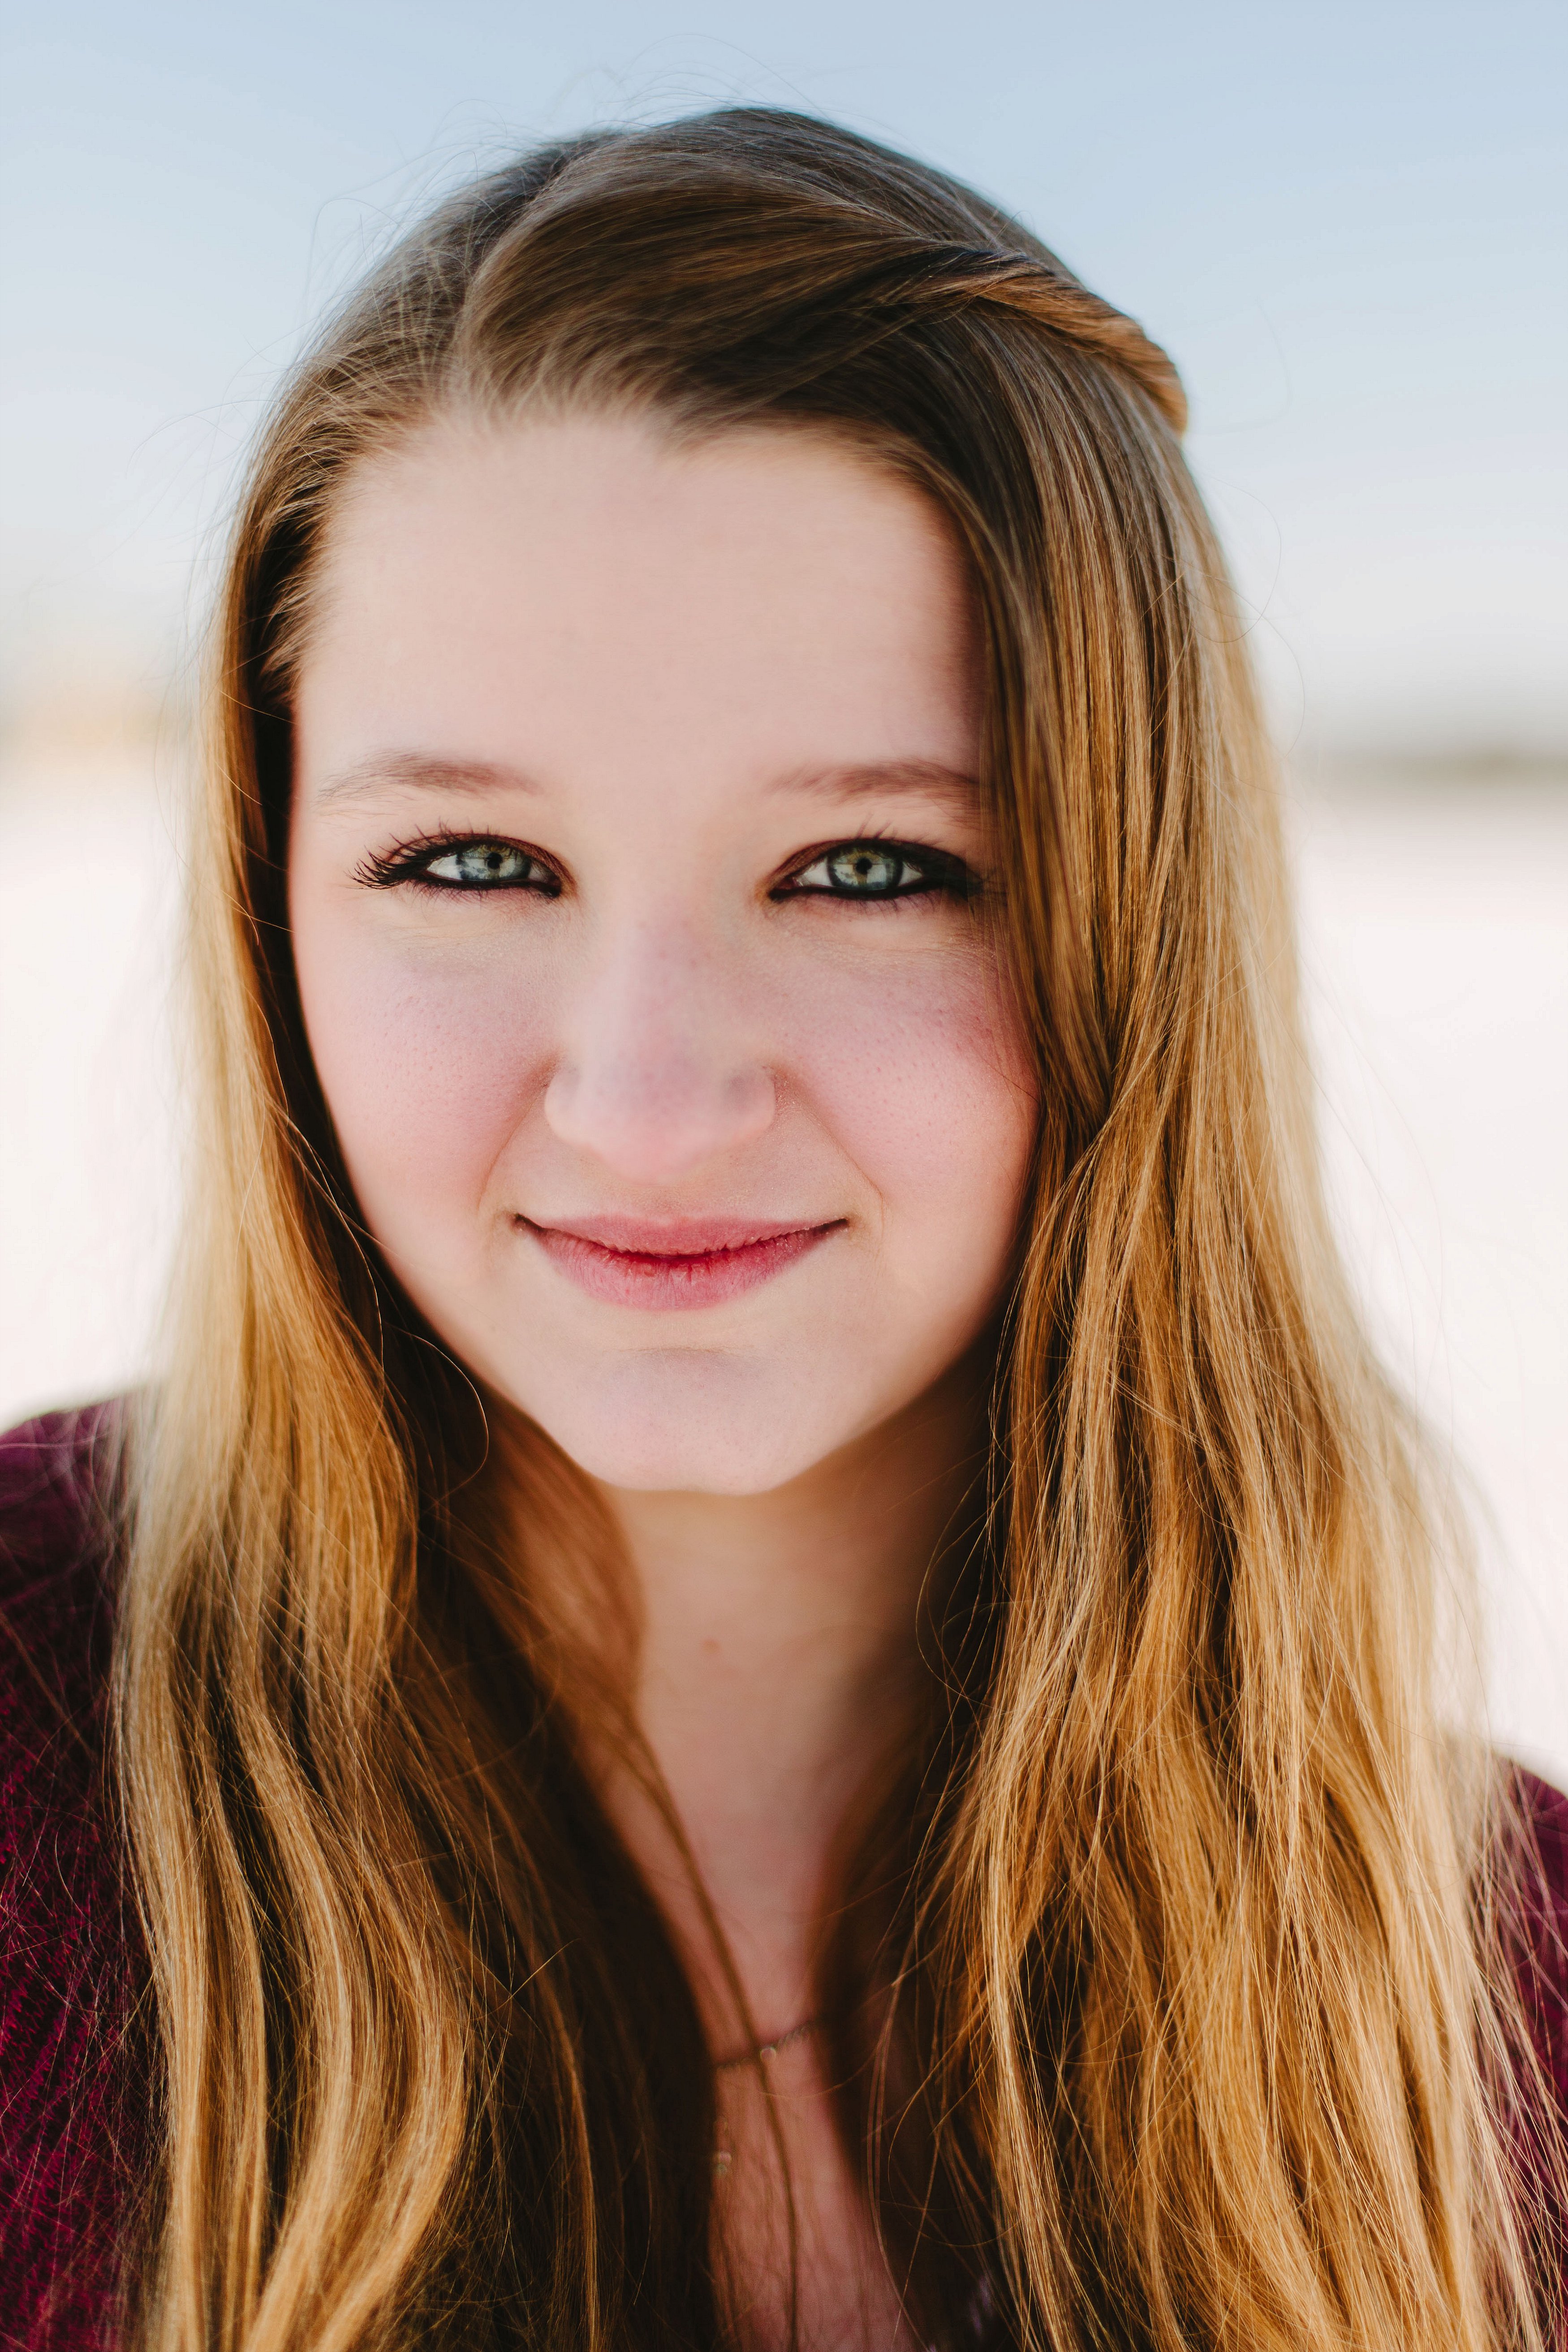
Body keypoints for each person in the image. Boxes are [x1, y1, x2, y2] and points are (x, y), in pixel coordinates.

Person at [0, 108, 1563, 2352]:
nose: (645, 1102)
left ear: (1135, 932)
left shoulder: (1497, 2007)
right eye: (467, 863)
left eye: (867, 870)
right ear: (272, 914)